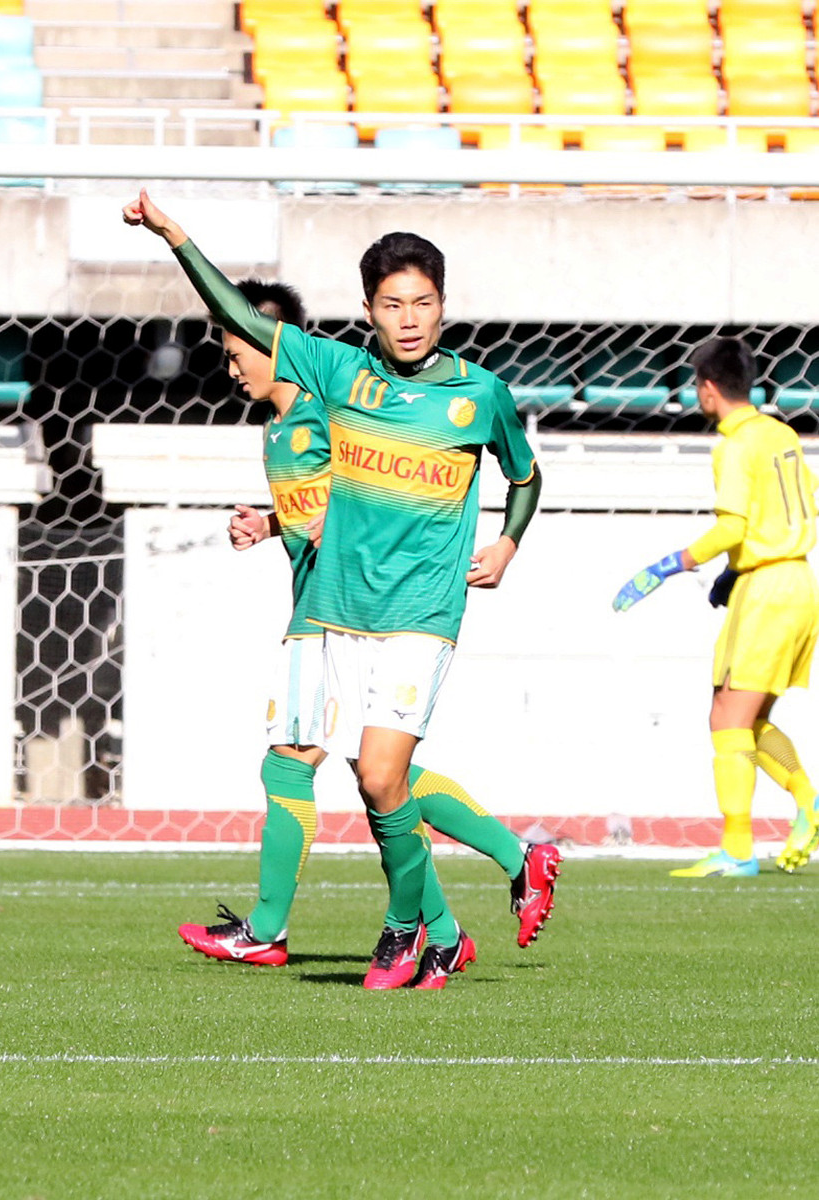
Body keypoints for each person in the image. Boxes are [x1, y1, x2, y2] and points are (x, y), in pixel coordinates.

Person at [123, 189, 561, 987]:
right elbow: (242, 318)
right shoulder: (337, 373)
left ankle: (382, 928)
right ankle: (452, 920)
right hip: (337, 610)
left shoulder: (475, 394)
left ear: (443, 305)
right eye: (393, 304)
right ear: (368, 310)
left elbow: (524, 475)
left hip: (417, 611)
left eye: (422, 303)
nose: (410, 319)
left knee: (355, 772)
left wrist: (506, 542)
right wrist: (174, 235)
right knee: (375, 778)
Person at [613, 336, 819, 877]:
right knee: (748, 717)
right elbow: (803, 502)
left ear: (707, 388)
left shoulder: (735, 444)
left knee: (726, 716)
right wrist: (734, 570)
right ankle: (801, 805)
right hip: (797, 580)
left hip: (768, 586)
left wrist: (666, 567)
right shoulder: (780, 433)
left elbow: (732, 526)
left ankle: (740, 848)